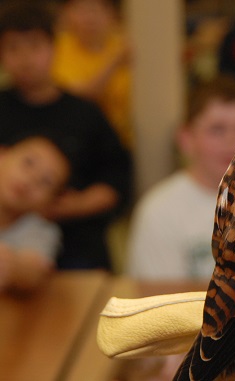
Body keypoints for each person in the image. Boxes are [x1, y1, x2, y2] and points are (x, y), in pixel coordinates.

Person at [0, 1, 132, 271]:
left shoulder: (85, 113)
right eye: (13, 48)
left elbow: (117, 179)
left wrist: (77, 205)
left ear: (54, 47)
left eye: (35, 46)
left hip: (77, 245)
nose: (25, 58)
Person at [127, 77, 235, 281]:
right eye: (217, 129)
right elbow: (160, 301)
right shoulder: (159, 211)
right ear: (186, 139)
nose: (233, 142)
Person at [52, 0, 132, 148]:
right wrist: (114, 63)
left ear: (112, 15)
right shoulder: (57, 49)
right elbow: (78, 97)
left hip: (125, 141)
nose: (90, 18)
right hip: (76, 140)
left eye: (96, 10)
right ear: (66, 14)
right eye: (81, 10)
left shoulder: (124, 44)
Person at [0, 136, 70, 293]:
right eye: (28, 162)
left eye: (46, 181)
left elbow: (34, 271)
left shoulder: (41, 232)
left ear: (51, 202)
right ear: (2, 155)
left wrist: (13, 268)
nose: (31, 179)